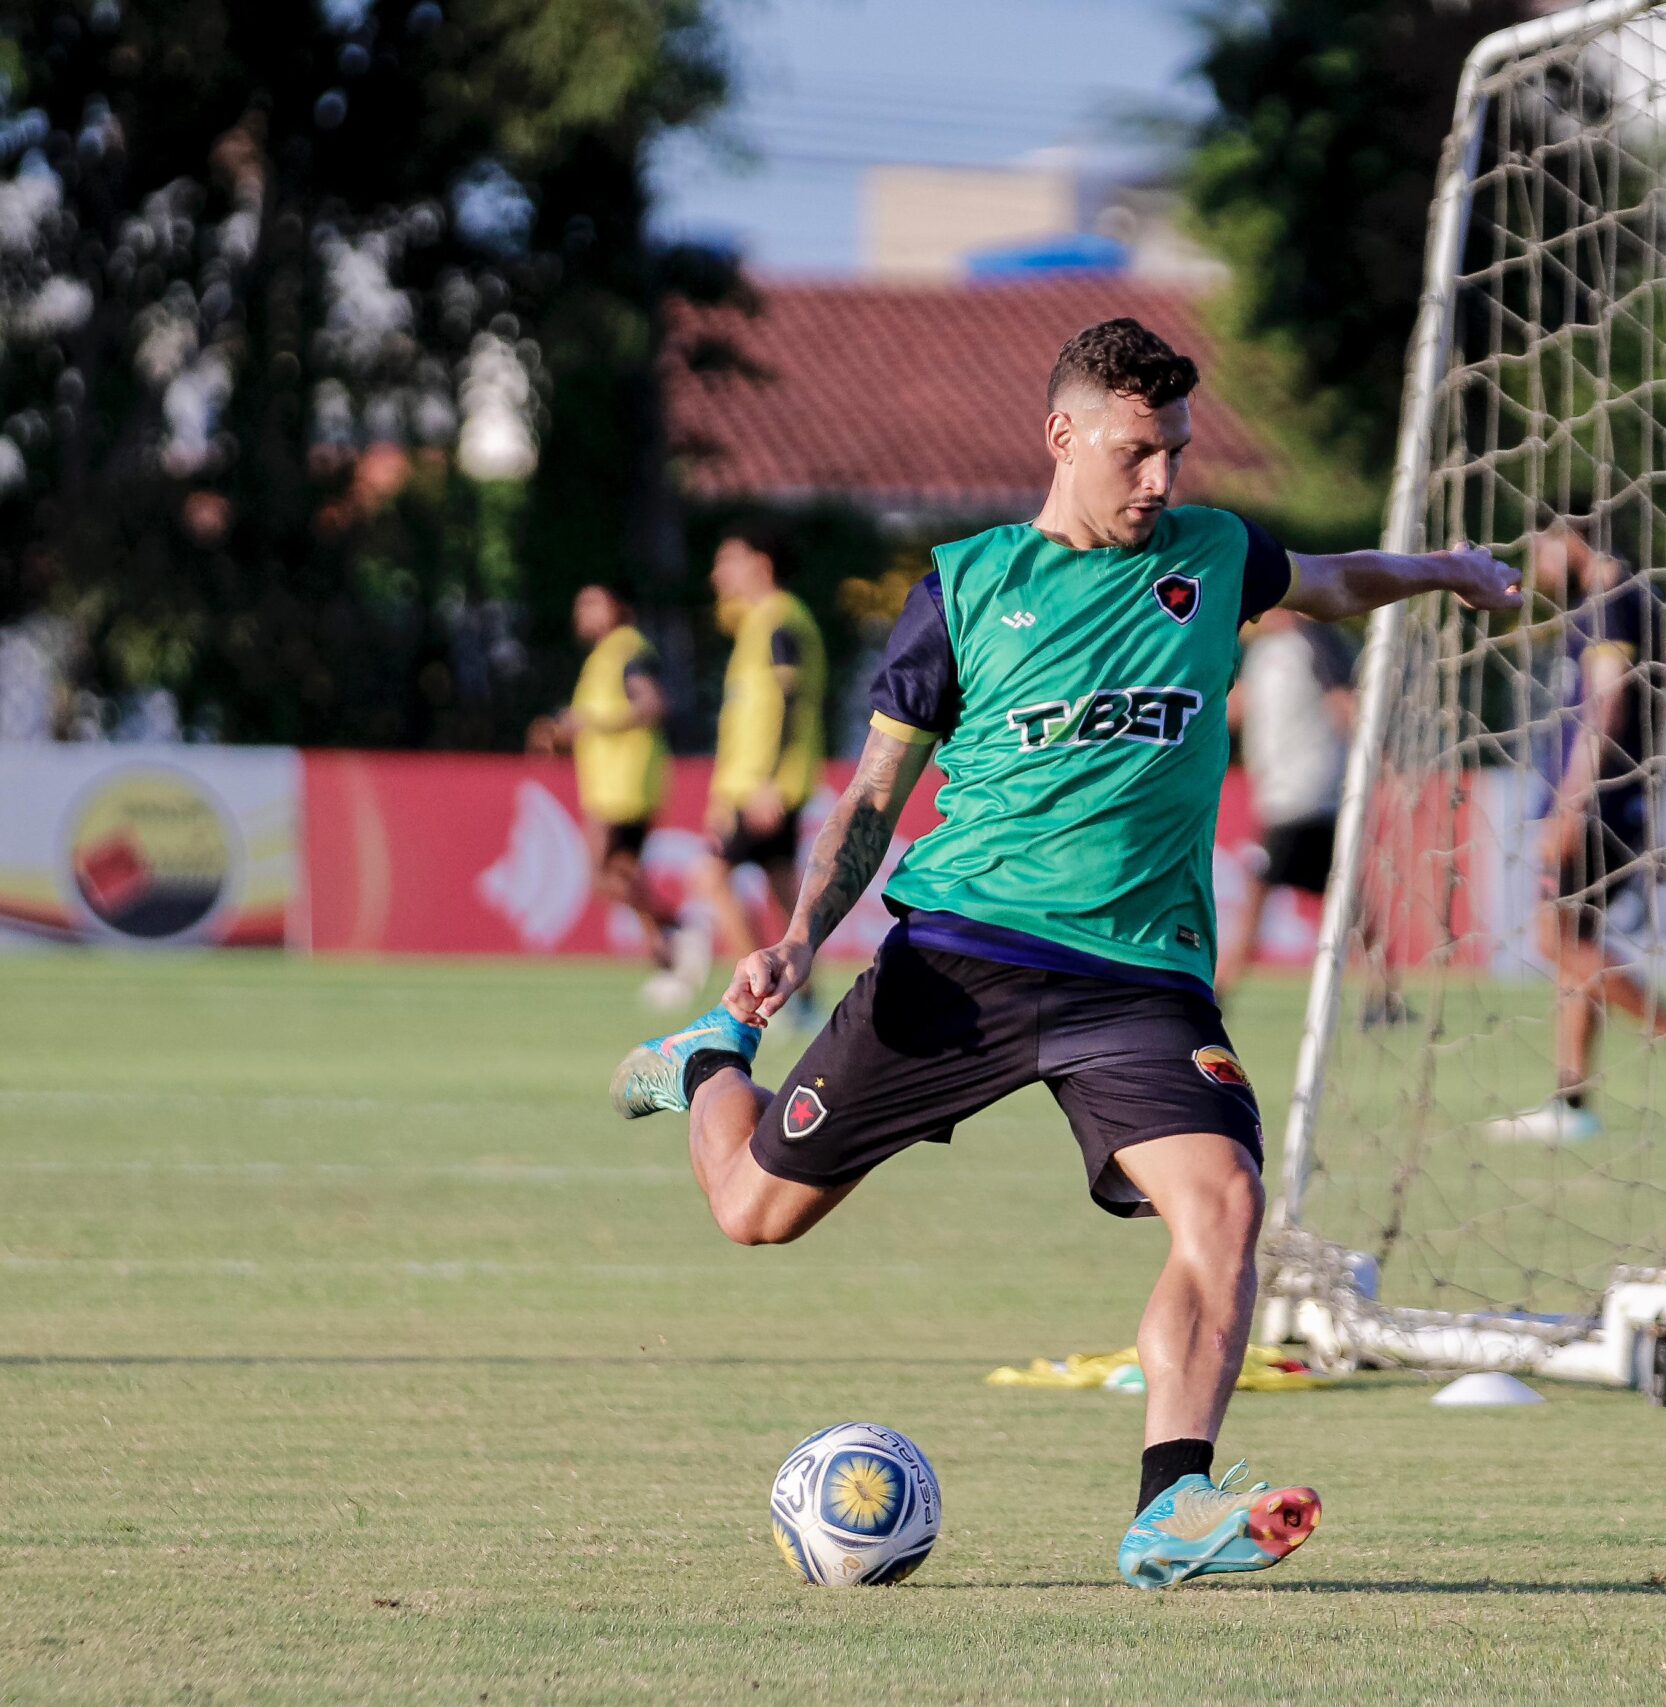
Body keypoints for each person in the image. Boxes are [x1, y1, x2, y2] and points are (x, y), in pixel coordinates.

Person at [608, 318, 1522, 1588]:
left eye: (1178, 454)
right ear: (1064, 436)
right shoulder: (966, 587)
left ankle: (1172, 1503)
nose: (1163, 481)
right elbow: (873, 798)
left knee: (1225, 1203)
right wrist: (800, 941)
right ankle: (706, 1058)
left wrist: (1444, 572)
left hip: (1140, 980)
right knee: (755, 1213)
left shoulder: (1214, 555)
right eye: (1138, 452)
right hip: (962, 959)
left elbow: (1334, 579)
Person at [1487, 519, 1666, 1144]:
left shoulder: (1612, 602)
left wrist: (1571, 804)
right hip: (1607, 801)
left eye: (1536, 546)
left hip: (1599, 804)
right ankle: (1571, 1102)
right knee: (1576, 940)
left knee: (1556, 938)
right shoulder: (1611, 602)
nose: (1535, 565)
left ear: (1567, 538)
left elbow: (1608, 704)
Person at [531, 585, 704, 1008]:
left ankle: (680, 927)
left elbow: (651, 703)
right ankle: (668, 961)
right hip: (613, 779)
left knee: (600, 874)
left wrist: (589, 722)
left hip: (624, 781)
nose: (582, 611)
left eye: (593, 602)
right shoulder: (603, 657)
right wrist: (564, 735)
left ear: (619, 607)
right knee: (625, 872)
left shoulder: (629, 649)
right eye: (581, 603)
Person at [693, 522, 826, 1024]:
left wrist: (766, 781)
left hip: (767, 787)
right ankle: (804, 1001)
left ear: (761, 565)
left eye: (729, 560)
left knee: (709, 876)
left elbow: (788, 699)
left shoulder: (779, 621)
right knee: (784, 889)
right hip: (756, 785)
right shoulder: (758, 623)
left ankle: (758, 991)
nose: (718, 572)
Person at [1214, 606, 1360, 1003]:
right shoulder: (1264, 653)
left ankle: (1219, 992)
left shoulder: (1315, 641)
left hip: (1308, 790)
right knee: (1344, 898)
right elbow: (1236, 707)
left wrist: (1375, 763)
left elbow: (1345, 702)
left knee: (1257, 891)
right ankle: (1385, 994)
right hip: (1281, 793)